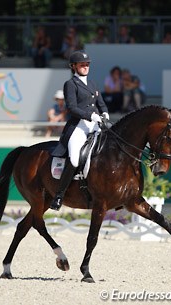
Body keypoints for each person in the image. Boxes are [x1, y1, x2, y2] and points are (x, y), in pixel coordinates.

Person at [50, 51, 109, 210]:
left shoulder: (93, 83)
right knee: (75, 159)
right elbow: (72, 108)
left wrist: (104, 112)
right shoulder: (71, 84)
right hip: (79, 125)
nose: (85, 66)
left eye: (87, 64)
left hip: (95, 124)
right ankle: (59, 195)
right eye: (82, 64)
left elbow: (100, 102)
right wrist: (91, 115)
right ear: (73, 66)